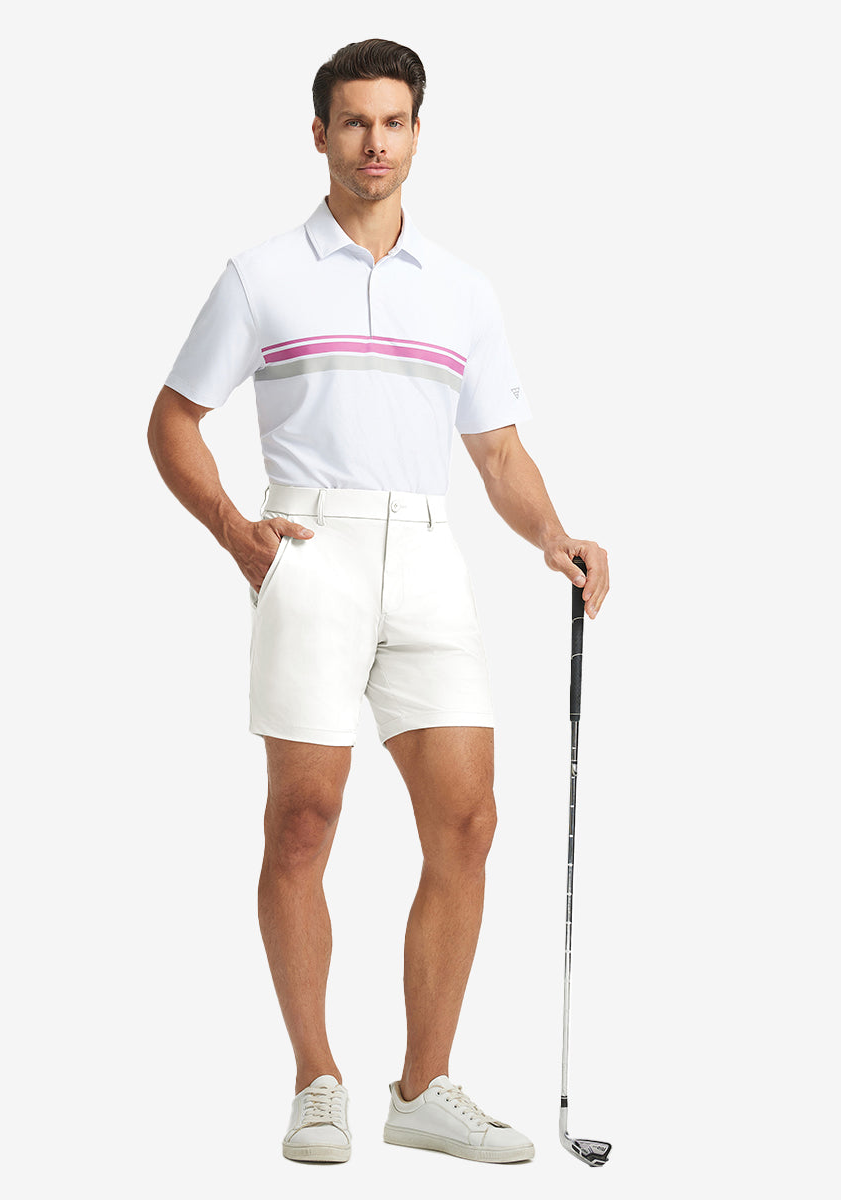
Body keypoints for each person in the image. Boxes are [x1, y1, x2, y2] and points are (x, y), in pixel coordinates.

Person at [147, 37, 609, 1165]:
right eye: (354, 121)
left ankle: (423, 1087)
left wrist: (554, 535)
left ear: (417, 132)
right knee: (304, 821)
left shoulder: (462, 289)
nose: (374, 142)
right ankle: (317, 1081)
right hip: (311, 549)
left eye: (394, 122)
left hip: (431, 556)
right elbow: (172, 421)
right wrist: (237, 534)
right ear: (320, 134)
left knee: (469, 821)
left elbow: (497, 450)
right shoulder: (261, 274)